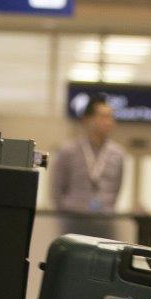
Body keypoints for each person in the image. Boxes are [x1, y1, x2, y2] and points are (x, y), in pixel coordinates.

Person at [49, 94, 126, 224]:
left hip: (105, 221)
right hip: (72, 220)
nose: (109, 122)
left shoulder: (118, 154)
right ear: (87, 120)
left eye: (111, 116)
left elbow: (117, 189)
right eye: (103, 117)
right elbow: (57, 190)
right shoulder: (68, 151)